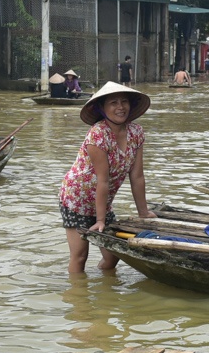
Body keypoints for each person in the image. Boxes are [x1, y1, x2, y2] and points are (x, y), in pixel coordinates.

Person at [59, 80, 150, 276]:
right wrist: (100, 220)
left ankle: (104, 293)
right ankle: (79, 302)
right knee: (80, 255)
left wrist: (144, 212)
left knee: (112, 257)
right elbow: (103, 180)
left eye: (124, 101)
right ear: (102, 108)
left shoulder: (136, 132)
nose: (120, 107)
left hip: (103, 200)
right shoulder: (98, 135)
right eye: (113, 103)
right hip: (77, 198)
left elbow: (137, 176)